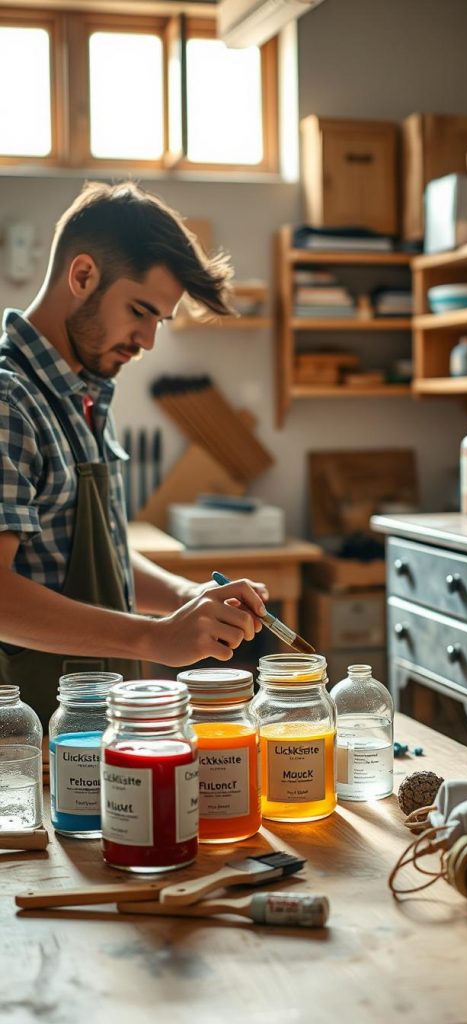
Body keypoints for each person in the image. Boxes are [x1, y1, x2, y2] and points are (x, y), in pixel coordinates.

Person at [0, 181, 268, 728]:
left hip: (94, 724)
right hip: (27, 745)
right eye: (140, 312)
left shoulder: (87, 391)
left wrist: (184, 594)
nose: (146, 341)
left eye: (158, 323)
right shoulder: (10, 399)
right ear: (82, 276)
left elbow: (95, 552)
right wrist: (153, 635)